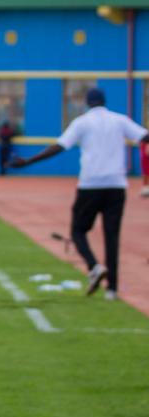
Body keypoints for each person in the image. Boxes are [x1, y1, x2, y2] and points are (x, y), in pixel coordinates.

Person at [11, 87, 149, 300]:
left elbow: (59, 146)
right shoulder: (119, 120)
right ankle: (112, 290)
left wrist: (29, 161)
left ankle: (94, 266)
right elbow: (145, 136)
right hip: (116, 185)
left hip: (90, 185)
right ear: (104, 101)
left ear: (87, 103)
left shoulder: (82, 122)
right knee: (112, 235)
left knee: (78, 231)